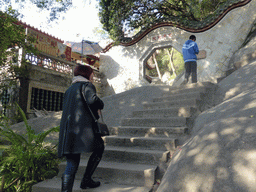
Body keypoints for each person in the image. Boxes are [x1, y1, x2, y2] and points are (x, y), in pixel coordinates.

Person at [58, 64, 105, 191]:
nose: (93, 76)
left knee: (72, 161)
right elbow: (93, 100)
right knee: (99, 147)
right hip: (82, 129)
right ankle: (86, 179)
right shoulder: (87, 85)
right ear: (87, 74)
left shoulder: (70, 89)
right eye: (92, 73)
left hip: (68, 130)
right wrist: (101, 103)